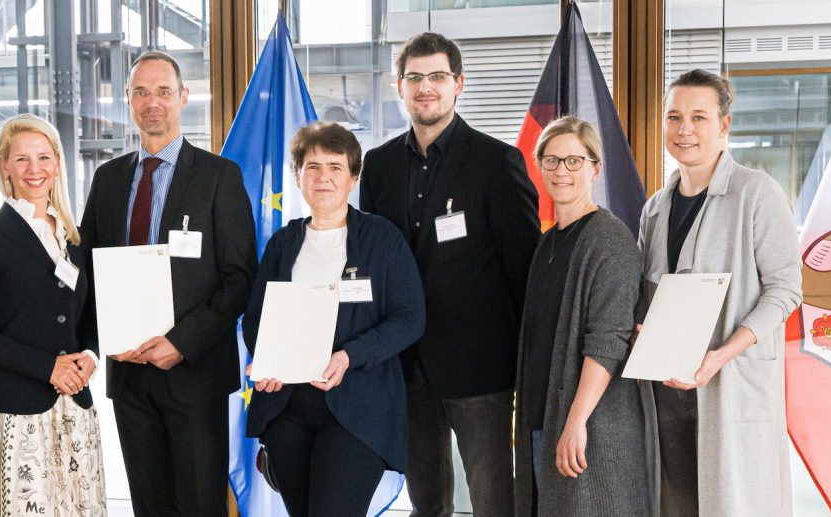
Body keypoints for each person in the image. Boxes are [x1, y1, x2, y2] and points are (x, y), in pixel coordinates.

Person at [358, 32, 541, 517]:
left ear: (458, 84)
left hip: (480, 366)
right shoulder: (376, 167)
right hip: (406, 365)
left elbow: (524, 272)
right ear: (399, 87)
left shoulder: (497, 162)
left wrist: (530, 363)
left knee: (493, 499)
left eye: (437, 76)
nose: (425, 88)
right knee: (427, 502)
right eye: (414, 78)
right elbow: (374, 269)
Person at [76, 51, 258, 517]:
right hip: (129, 376)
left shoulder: (220, 177)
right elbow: (88, 274)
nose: (151, 102)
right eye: (140, 92)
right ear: (129, 101)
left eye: (162, 92)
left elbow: (240, 280)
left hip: (194, 375)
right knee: (149, 507)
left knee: (200, 506)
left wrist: (181, 342)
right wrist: (101, 341)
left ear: (183, 98)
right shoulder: (108, 179)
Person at [638, 69, 803, 516]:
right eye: (674, 117)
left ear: (724, 125)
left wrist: (719, 355)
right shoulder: (655, 208)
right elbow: (649, 296)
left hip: (732, 382)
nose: (684, 129)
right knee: (675, 500)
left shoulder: (757, 193)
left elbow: (786, 291)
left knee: (734, 501)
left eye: (698, 117)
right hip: (668, 387)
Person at [243, 122, 426, 516]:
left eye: (335, 167)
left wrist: (349, 355)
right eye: (312, 167)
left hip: (359, 407)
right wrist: (268, 360)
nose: (323, 177)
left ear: (353, 177)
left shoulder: (383, 238)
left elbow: (410, 317)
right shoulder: (282, 243)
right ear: (298, 178)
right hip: (287, 408)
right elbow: (255, 318)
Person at [0, 114, 106, 516]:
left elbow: (93, 318)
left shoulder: (77, 236)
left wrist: (89, 357)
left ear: (57, 163)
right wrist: (46, 367)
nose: (34, 169)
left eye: (43, 157)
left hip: (75, 406)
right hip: (14, 410)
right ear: (4, 166)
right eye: (21, 159)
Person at [512, 116, 655, 516]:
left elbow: (608, 342)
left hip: (592, 428)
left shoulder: (608, 238)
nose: (562, 171)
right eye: (552, 160)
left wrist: (575, 424)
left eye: (575, 161)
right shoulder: (546, 244)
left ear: (595, 168)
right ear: (538, 166)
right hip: (544, 419)